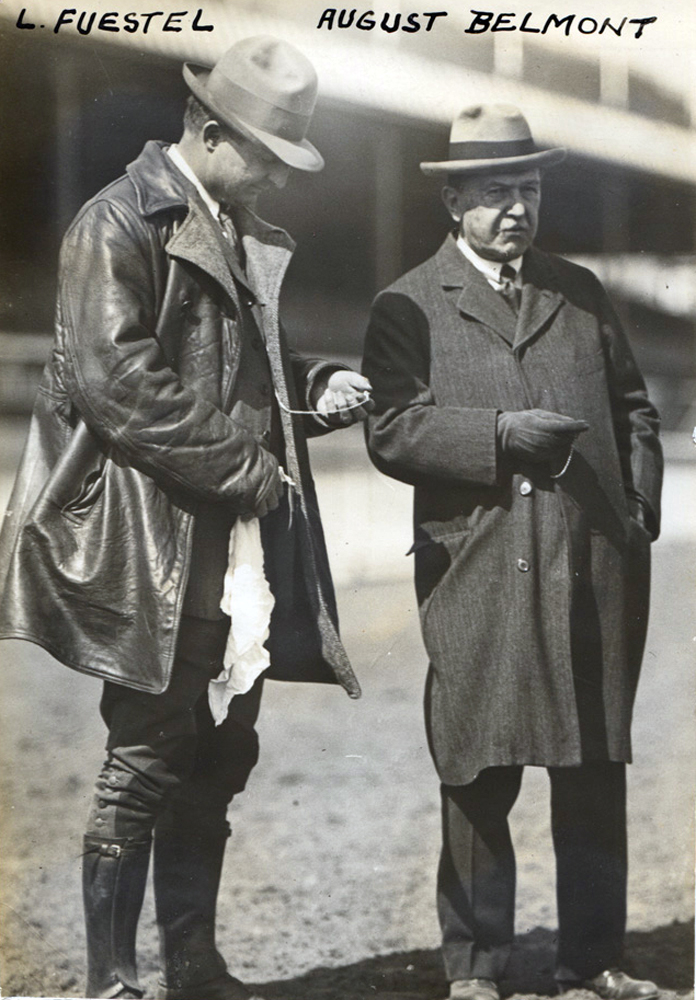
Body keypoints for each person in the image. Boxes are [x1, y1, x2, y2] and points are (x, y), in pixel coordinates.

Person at [0, 36, 373, 1000]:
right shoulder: (117, 221)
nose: (278, 181)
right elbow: (116, 379)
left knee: (220, 751)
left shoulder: (233, 225)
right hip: (151, 538)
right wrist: (247, 470)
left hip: (230, 540)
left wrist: (317, 381)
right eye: (268, 157)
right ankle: (114, 980)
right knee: (149, 754)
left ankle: (194, 965)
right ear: (211, 132)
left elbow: (242, 371)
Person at [362, 104, 663, 1000]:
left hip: (593, 568)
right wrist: (498, 432)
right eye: (494, 193)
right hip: (480, 569)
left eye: (526, 190)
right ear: (452, 202)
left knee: (594, 772)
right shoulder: (407, 303)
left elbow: (634, 409)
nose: (515, 209)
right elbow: (392, 429)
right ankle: (476, 969)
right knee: (479, 770)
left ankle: (594, 958)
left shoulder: (580, 291)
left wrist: (637, 508)